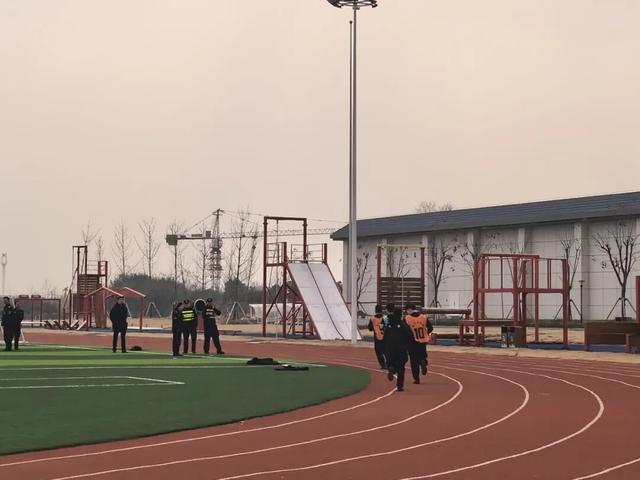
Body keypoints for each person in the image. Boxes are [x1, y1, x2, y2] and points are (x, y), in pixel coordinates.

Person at [384, 307, 413, 392]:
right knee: (401, 368)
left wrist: (386, 347)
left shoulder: (389, 325)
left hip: (390, 348)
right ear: (401, 315)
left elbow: (385, 337)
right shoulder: (403, 325)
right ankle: (399, 386)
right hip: (401, 349)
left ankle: (392, 369)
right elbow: (409, 335)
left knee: (390, 362)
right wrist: (408, 346)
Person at [404, 304, 434, 384]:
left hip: (412, 342)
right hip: (423, 340)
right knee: (422, 355)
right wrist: (426, 333)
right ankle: (423, 361)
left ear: (409, 309)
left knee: (413, 361)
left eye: (406, 310)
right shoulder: (423, 317)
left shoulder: (407, 318)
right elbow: (431, 328)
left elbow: (404, 330)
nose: (406, 312)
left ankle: (416, 379)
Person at [367, 304, 386, 369]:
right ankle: (390, 364)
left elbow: (370, 329)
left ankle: (383, 365)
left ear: (375, 311)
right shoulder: (384, 318)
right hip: (385, 337)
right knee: (386, 351)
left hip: (377, 338)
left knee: (378, 352)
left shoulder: (372, 319)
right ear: (381, 310)